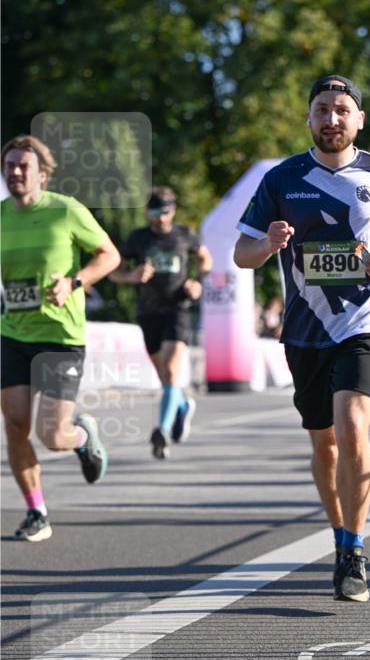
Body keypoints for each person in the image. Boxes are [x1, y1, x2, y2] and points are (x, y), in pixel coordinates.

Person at [233, 74, 370, 602]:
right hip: (306, 329)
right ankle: (341, 537)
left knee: (352, 426)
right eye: (322, 109)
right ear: (309, 117)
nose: (332, 118)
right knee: (325, 442)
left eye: (342, 109)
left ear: (358, 119)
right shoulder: (281, 178)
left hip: (368, 323)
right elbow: (241, 255)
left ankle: (356, 550)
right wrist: (268, 243)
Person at [1, 135, 120, 541]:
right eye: (10, 164)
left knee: (52, 436)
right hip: (12, 332)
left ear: (43, 174)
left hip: (59, 336)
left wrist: (74, 282)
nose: (15, 171)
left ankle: (82, 436)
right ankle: (37, 512)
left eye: (24, 165)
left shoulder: (66, 211)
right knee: (15, 425)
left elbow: (109, 255)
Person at [110, 187, 212, 458]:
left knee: (170, 368)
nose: (160, 218)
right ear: (147, 212)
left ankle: (162, 430)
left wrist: (197, 283)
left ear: (173, 210)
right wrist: (131, 275)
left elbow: (205, 259)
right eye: (154, 212)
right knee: (166, 377)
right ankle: (181, 408)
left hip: (178, 308)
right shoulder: (137, 239)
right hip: (148, 313)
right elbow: (113, 272)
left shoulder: (184, 235)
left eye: (165, 212)